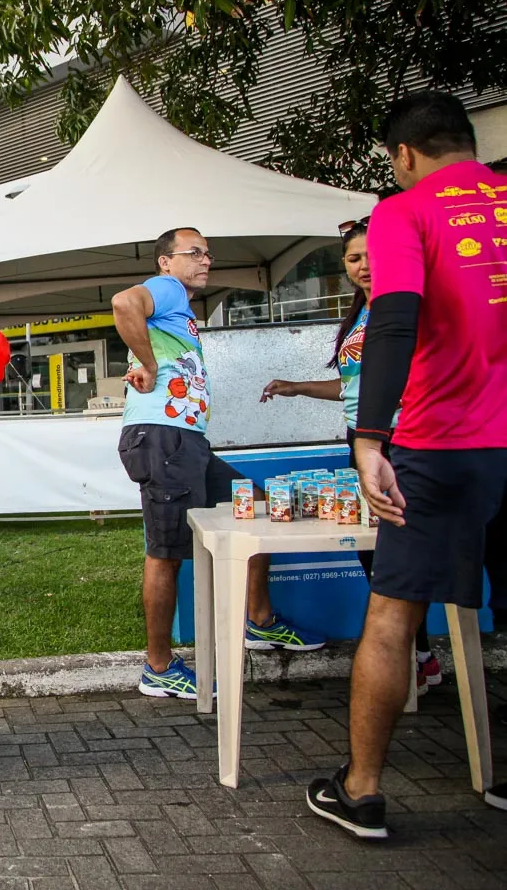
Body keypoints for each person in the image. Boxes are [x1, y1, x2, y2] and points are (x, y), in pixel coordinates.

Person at [306, 93, 507, 838]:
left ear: (405, 155)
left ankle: (361, 791)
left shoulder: (405, 210)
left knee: (393, 613)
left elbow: (393, 321)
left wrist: (368, 438)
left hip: (441, 440)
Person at [112, 227, 325, 698]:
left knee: (260, 508)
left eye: (208, 254)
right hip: (164, 438)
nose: (205, 260)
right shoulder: (165, 288)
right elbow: (124, 304)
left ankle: (260, 621)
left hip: (187, 442)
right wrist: (148, 364)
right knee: (165, 554)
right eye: (194, 253)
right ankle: (159, 667)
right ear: (165, 261)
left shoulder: (179, 307)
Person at [260, 222, 440, 694]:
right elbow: (357, 384)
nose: (364, 266)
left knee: (397, 549)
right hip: (361, 437)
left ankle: (416, 657)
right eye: (354, 259)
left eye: (371, 255)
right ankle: (417, 654)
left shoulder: (408, 306)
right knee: (371, 546)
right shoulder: (362, 314)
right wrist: (296, 387)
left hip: (404, 437)